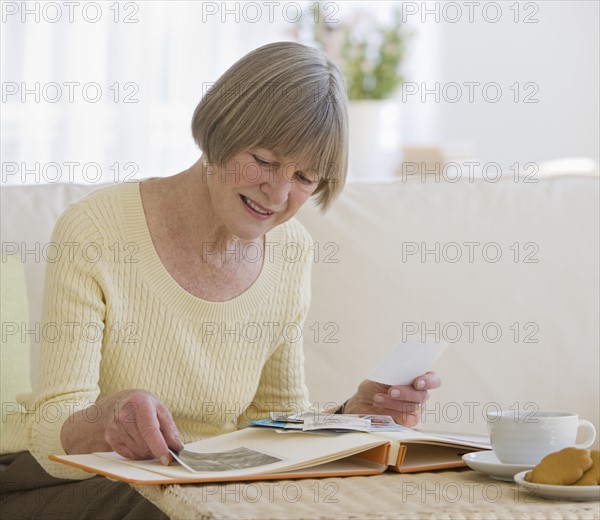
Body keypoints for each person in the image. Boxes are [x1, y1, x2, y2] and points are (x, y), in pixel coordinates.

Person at [0, 41, 440, 518]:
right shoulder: (96, 231)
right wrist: (110, 416)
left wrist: (349, 418)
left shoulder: (290, 251)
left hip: (202, 487)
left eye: (305, 177)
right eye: (266, 161)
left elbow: (269, 426)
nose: (278, 192)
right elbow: (51, 434)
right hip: (74, 482)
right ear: (220, 130)